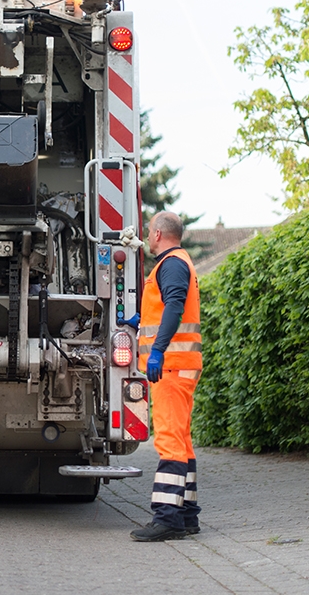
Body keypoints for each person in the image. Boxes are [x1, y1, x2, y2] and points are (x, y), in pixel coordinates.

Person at [121, 211, 202, 542]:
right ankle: (186, 514)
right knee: (181, 440)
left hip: (170, 366)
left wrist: (157, 351)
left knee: (168, 440)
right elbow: (165, 307)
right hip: (180, 364)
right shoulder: (177, 263)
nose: (147, 235)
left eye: (149, 230)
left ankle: (167, 518)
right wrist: (139, 320)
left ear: (157, 234)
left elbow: (174, 307)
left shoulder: (171, 264)